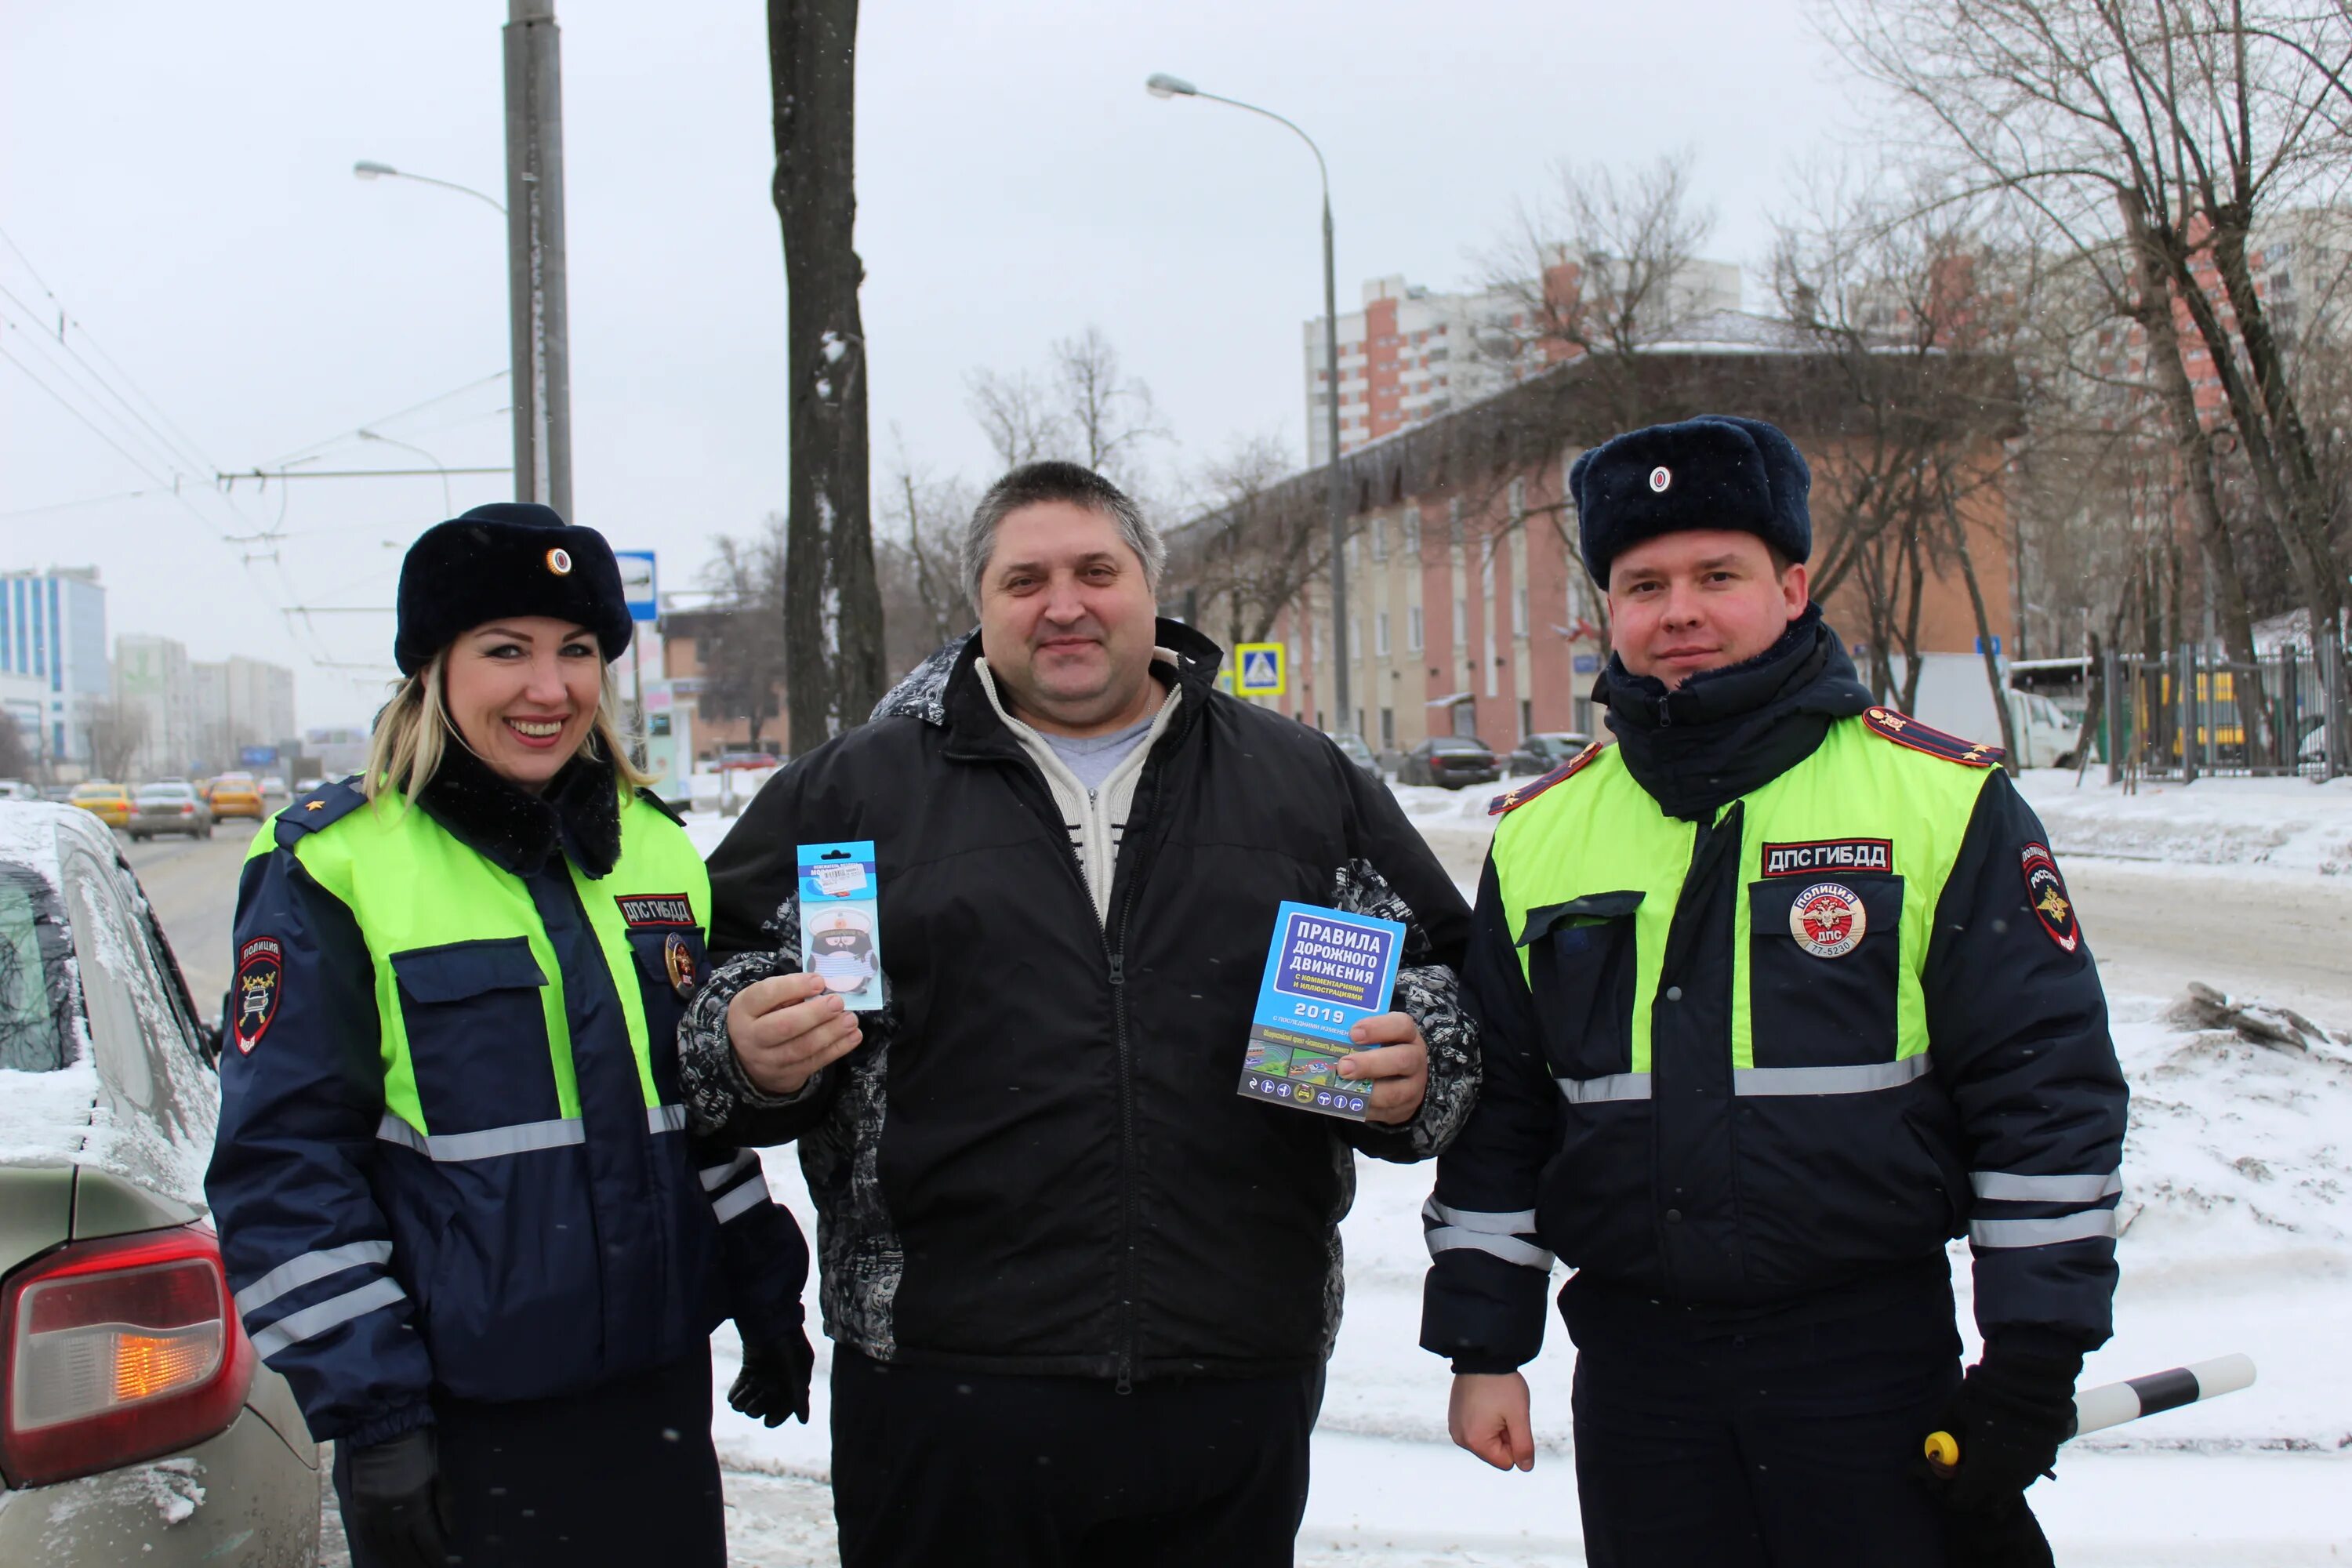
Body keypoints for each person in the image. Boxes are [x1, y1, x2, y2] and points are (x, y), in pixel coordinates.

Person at [675, 460, 1479, 1567]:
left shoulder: (1302, 783)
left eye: (1096, 570)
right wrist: (744, 1046)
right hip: (941, 1380)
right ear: (982, 607)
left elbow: (1446, 974)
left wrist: (1421, 1064)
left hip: (1230, 1373)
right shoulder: (851, 792)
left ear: (1151, 587)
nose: (1064, 604)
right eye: (1026, 580)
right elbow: (717, 983)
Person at [1420, 416, 2129, 1567]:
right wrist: (1483, 1346)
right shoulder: (1543, 834)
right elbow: (1507, 1112)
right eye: (1644, 583)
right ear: (1609, 609)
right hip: (1642, 1383)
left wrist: (2034, 1364)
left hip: (1865, 1364)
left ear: (1793, 587)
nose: (1679, 609)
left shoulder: (1939, 802)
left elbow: (2044, 1089)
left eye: (1718, 575)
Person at [206, 503, 816, 1568]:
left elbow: (683, 1117)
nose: (550, 688)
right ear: (433, 668)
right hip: (459, 1422)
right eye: (507, 652)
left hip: (655, 1404)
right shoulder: (334, 865)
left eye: (577, 651)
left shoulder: (655, 853)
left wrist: (759, 1275)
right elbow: (284, 1168)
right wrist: (377, 1416)